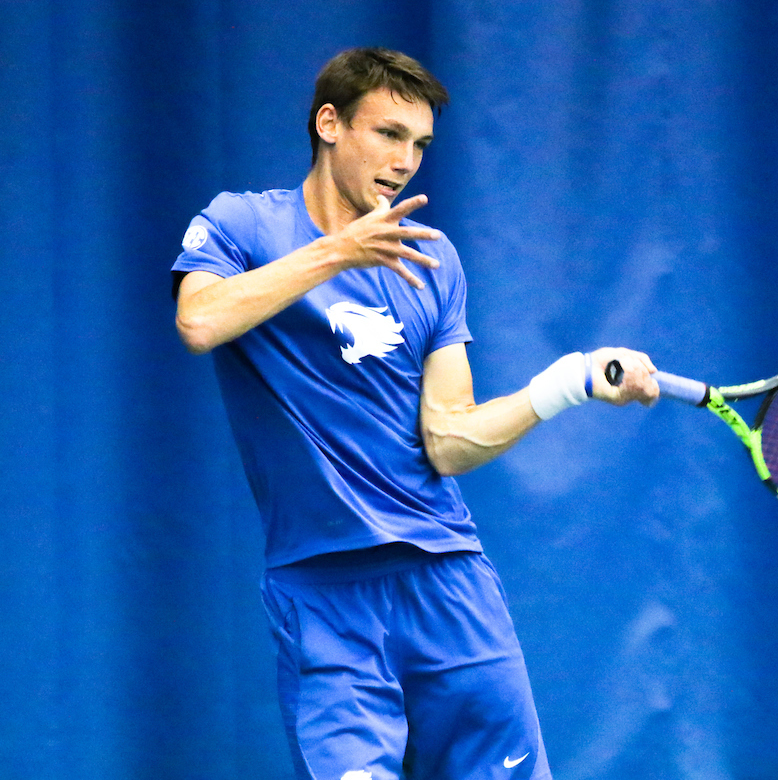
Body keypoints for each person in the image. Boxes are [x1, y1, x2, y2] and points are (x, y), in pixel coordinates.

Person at [172, 47, 659, 780]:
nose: (405, 161)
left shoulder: (432, 263)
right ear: (329, 123)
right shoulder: (241, 223)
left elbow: (450, 439)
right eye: (389, 134)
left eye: (420, 144)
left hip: (448, 586)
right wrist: (336, 254)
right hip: (323, 599)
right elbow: (200, 321)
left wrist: (570, 381)